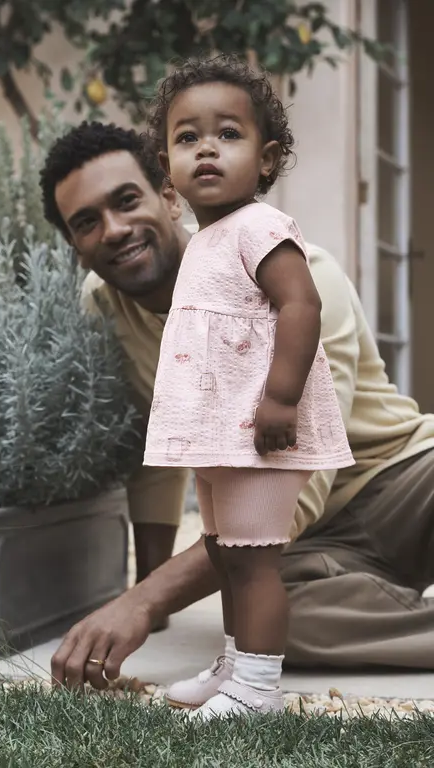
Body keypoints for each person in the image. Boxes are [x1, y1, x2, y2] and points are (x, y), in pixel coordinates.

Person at [39, 114, 434, 695]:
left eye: (127, 200)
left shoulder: (296, 275)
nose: (116, 228)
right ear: (76, 248)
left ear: (168, 198)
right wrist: (152, 593)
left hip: (398, 477)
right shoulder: (106, 307)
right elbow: (159, 445)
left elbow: (300, 482)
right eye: (87, 223)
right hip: (319, 545)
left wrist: (144, 602)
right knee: (271, 625)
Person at [139, 54, 353, 720]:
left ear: (267, 159)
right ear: (167, 165)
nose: (206, 147)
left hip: (259, 429)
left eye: (228, 134)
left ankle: (257, 688)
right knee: (231, 556)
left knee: (255, 560)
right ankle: (235, 666)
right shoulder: (204, 240)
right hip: (222, 435)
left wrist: (281, 399)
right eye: (187, 137)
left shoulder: (259, 227)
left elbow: (301, 306)